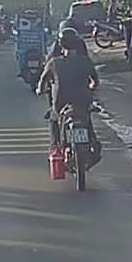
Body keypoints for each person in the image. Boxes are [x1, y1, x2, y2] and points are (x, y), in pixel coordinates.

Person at [37, 28, 101, 165]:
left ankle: (55, 148)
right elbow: (95, 81)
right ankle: (93, 142)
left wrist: (40, 90)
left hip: (60, 104)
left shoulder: (54, 63)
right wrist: (91, 87)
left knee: (53, 119)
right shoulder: (85, 61)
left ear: (60, 44)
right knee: (86, 117)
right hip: (82, 102)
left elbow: (42, 81)